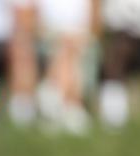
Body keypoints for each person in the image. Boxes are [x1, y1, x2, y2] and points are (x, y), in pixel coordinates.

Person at [35, 0, 98, 134]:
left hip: (80, 40)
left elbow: (95, 24)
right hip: (52, 38)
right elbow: (35, 22)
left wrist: (79, 38)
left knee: (68, 51)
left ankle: (54, 96)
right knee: (66, 51)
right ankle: (72, 105)